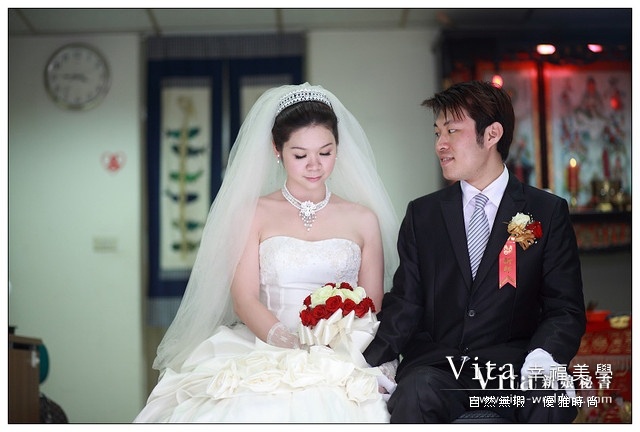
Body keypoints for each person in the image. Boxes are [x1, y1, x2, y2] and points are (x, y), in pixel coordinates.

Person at [134, 83, 399, 422]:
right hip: (268, 342)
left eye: (325, 152)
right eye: (300, 155)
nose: (314, 165)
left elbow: (371, 303)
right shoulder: (253, 213)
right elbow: (244, 299)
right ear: (277, 149)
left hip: (344, 351)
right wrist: (291, 344)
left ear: (338, 148)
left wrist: (332, 347)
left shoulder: (363, 219)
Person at [363, 80, 586, 423]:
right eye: (437, 133)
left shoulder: (546, 211)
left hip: (514, 368)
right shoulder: (423, 214)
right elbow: (406, 302)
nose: (440, 144)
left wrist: (543, 356)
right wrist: (370, 362)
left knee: (549, 398)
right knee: (415, 393)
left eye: (452, 131)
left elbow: (565, 308)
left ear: (492, 134)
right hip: (439, 370)